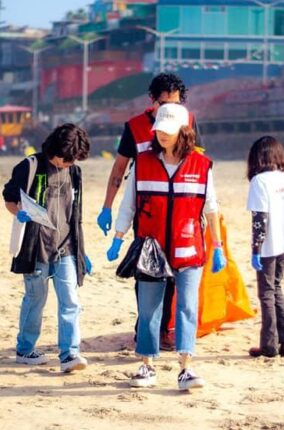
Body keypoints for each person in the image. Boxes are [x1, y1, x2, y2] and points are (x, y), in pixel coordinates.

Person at [106, 103, 226, 391]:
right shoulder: (143, 163)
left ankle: (186, 367)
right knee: (149, 309)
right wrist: (118, 238)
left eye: (167, 130)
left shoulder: (202, 165)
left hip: (189, 249)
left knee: (187, 307)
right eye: (158, 128)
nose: (161, 134)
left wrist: (217, 245)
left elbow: (211, 209)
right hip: (151, 250)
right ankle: (146, 365)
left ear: (184, 131)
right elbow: (129, 205)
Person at [97, 73, 202, 350]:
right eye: (164, 103)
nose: (170, 109)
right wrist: (108, 207)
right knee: (149, 271)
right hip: (146, 211)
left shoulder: (188, 122)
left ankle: (166, 328)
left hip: (179, 209)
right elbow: (119, 170)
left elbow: (197, 164)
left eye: (176, 103)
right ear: (152, 101)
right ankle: (144, 329)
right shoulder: (134, 127)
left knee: (176, 274)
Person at [2, 123, 93, 373]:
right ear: (54, 149)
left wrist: (81, 250)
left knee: (70, 300)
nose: (67, 164)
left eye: (72, 160)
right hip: (35, 246)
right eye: (65, 159)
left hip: (65, 246)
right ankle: (25, 348)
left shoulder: (74, 173)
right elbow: (10, 198)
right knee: (35, 298)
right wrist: (19, 213)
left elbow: (75, 214)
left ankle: (69, 353)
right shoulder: (30, 166)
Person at [246, 136, 284, 358]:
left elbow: (260, 219)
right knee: (276, 288)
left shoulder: (259, 182)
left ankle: (269, 346)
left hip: (270, 245)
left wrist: (255, 250)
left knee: (267, 293)